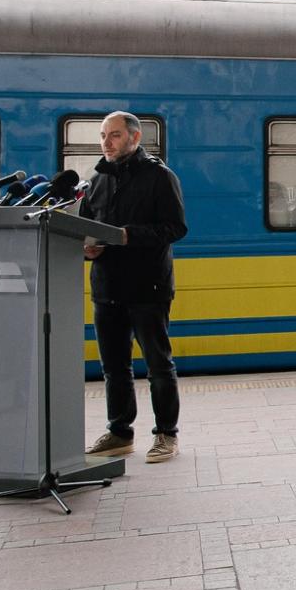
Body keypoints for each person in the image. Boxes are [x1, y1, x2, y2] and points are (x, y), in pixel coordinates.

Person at [82, 111, 189, 464]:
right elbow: (85, 225)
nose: (106, 142)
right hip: (106, 285)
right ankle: (119, 432)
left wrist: (130, 235)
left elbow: (175, 228)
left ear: (134, 137)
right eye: (102, 135)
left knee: (158, 364)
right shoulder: (96, 180)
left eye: (113, 135)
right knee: (114, 367)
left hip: (148, 285)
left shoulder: (159, 177)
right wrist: (87, 248)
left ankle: (166, 434)